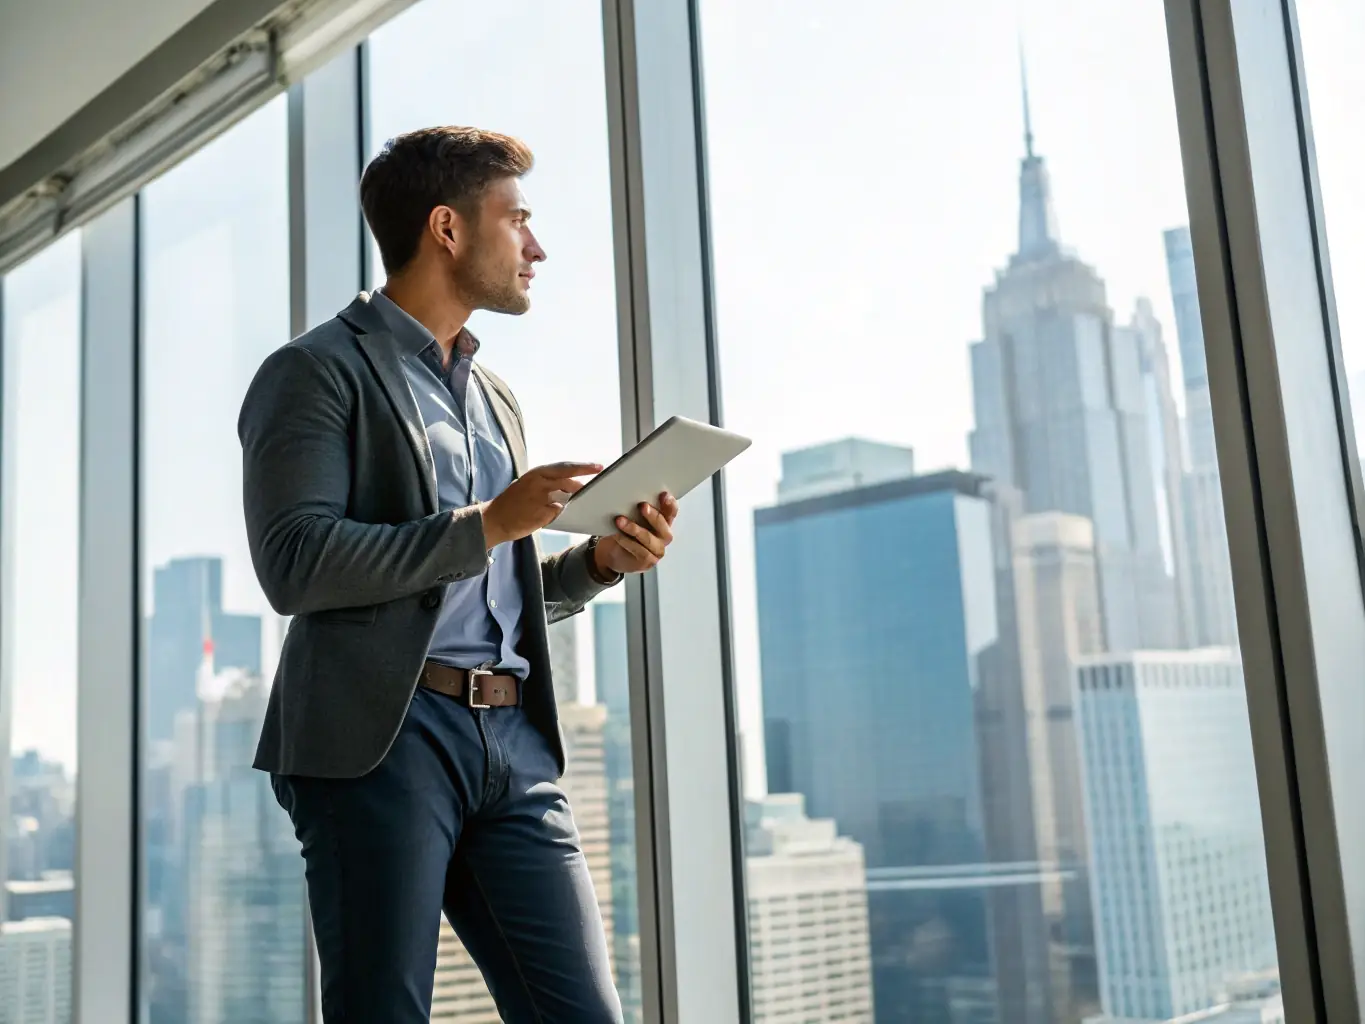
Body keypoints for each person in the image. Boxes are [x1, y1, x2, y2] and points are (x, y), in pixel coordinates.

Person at [238, 126, 675, 1023]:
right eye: (518, 220)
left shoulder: (493, 396)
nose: (537, 246)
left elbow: (485, 593)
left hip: (513, 744)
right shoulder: (315, 372)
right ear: (446, 227)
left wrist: (595, 563)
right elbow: (295, 563)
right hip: (383, 743)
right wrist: (491, 521)